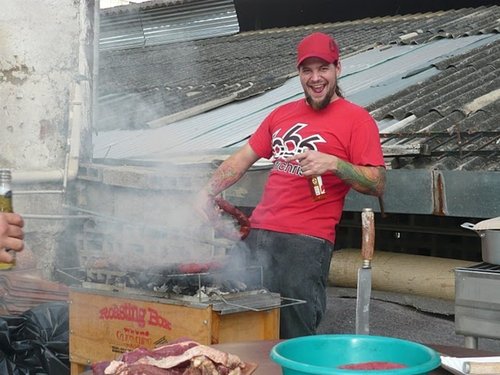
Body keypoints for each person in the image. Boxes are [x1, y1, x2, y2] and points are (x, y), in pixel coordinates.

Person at [195, 32, 386, 338]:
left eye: (323, 68)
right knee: (235, 325)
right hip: (255, 236)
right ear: (298, 73)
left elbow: (377, 183)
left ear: (338, 68)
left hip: (305, 243)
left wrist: (334, 164)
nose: (315, 78)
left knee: (293, 334)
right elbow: (242, 159)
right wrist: (206, 192)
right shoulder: (282, 114)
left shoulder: (357, 120)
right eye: (306, 70)